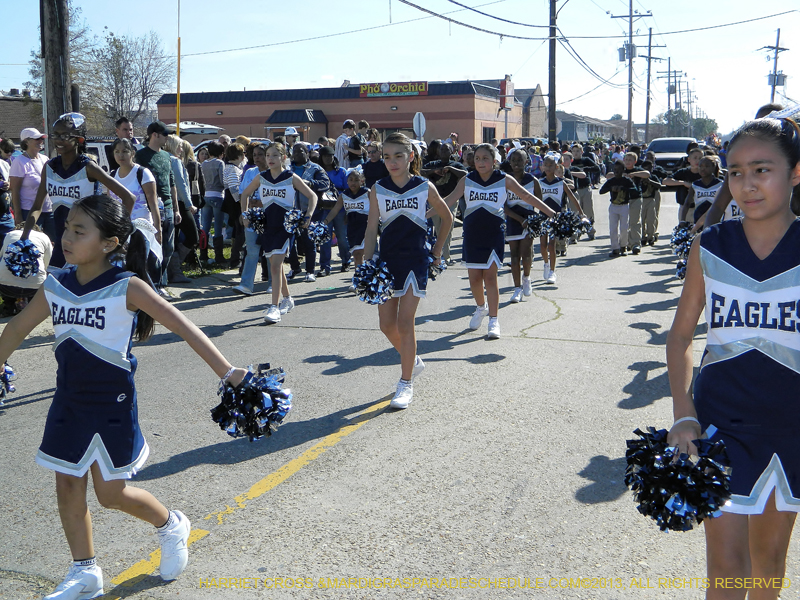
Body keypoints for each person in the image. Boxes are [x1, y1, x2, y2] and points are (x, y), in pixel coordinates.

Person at [0, 194, 248, 600]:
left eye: (80, 231)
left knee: (111, 494)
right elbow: (15, 329)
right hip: (67, 402)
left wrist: (228, 371)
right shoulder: (56, 284)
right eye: (67, 228)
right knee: (67, 485)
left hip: (112, 405)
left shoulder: (126, 286)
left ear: (109, 243)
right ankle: (85, 571)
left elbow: (183, 327)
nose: (67, 238)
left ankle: (171, 525)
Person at [666, 117, 800, 599]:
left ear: (796, 172)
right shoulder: (711, 244)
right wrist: (684, 414)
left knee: (768, 560)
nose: (747, 184)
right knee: (725, 567)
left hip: (790, 424)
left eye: (762, 169)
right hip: (722, 424)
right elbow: (680, 336)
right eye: (736, 172)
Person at [363, 133, 452, 409]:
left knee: (405, 322)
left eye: (398, 156)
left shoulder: (423, 186)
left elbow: (447, 217)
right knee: (386, 325)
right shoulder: (378, 188)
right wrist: (366, 264)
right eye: (387, 157)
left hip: (415, 260)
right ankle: (412, 360)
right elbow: (371, 228)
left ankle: (405, 383)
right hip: (387, 262)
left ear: (411, 157)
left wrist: (437, 251)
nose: (392, 162)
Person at [441, 143, 556, 338]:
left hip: (493, 234)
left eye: (485, 158)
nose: (480, 162)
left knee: (490, 277)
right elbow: (447, 201)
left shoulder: (504, 179)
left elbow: (527, 196)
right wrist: (423, 215)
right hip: (472, 234)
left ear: (494, 161)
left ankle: (494, 320)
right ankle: (481, 307)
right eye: (477, 158)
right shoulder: (467, 180)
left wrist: (552, 213)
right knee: (474, 279)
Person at [26, 113, 135, 269]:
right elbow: (37, 207)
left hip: (88, 248)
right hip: (62, 244)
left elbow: (128, 198)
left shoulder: (88, 167)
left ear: (79, 140)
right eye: (55, 135)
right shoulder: (49, 167)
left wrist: (119, 236)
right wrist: (24, 237)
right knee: (52, 282)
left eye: (65, 136)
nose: (59, 140)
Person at [241, 142, 318, 324]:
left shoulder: (290, 177)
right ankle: (288, 299)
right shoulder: (261, 177)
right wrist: (245, 214)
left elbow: (312, 196)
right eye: (268, 155)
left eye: (275, 155)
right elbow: (244, 194)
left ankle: (274, 307)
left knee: (275, 265)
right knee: (276, 265)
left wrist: (308, 216)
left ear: (283, 157)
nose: (270, 159)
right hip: (268, 226)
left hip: (285, 227)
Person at [135, 121, 179, 291]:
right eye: (165, 134)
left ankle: (161, 282)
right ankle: (155, 285)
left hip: (168, 207)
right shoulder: (141, 156)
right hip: (150, 208)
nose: (168, 137)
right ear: (155, 135)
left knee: (168, 248)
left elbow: (172, 183)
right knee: (154, 248)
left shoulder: (167, 156)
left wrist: (176, 208)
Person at [502, 148, 542, 303]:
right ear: (510, 162)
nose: (516, 163)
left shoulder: (533, 181)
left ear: (526, 162)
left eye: (520, 160)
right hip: (513, 220)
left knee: (526, 254)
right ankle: (517, 288)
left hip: (529, 220)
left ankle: (526, 277)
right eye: (513, 160)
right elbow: (504, 206)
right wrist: (519, 219)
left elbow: (540, 203)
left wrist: (536, 220)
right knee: (514, 256)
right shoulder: (506, 180)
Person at [537, 155, 584, 284]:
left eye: (551, 165)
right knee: (542, 245)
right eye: (546, 165)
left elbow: (573, 198)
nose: (548, 167)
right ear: (542, 166)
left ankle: (552, 272)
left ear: (556, 166)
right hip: (542, 217)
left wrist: (581, 213)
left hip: (555, 217)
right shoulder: (539, 182)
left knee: (552, 245)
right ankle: (546, 264)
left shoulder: (561, 182)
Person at [288, 144, 330, 281]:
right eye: (294, 151)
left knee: (309, 242)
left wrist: (310, 183)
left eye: (300, 151)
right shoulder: (288, 169)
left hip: (311, 210)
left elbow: (325, 184)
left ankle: (310, 271)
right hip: (291, 211)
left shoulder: (315, 168)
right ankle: (295, 267)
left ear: (307, 153)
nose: (297, 154)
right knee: (289, 242)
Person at [234, 143, 271, 296]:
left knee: (270, 252)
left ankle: (273, 283)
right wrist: (244, 214)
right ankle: (246, 285)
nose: (257, 158)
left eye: (260, 155)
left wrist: (262, 203)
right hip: (252, 216)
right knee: (251, 251)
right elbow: (243, 194)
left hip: (270, 217)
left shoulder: (275, 173)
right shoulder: (250, 172)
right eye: (254, 155)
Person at [323, 170, 369, 290]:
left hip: (366, 226)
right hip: (352, 227)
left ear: (362, 181)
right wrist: (325, 222)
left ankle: (364, 279)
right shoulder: (344, 195)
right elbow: (335, 210)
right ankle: (360, 279)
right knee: (356, 254)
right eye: (350, 180)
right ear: (347, 181)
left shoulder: (367, 193)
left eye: (356, 180)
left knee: (364, 254)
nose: (353, 183)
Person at [422, 142, 465, 265]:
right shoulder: (433, 164)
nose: (443, 152)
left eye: (446, 150)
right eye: (441, 150)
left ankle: (446, 257)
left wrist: (450, 169)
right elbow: (421, 172)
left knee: (448, 228)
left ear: (451, 152)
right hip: (435, 201)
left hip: (451, 200)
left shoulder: (456, 165)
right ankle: (438, 254)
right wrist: (434, 171)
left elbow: (465, 175)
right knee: (438, 227)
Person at [9, 127, 56, 242]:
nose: (40, 141)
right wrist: (18, 215)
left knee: (54, 242)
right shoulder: (19, 162)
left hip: (49, 209)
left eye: (41, 138)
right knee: (33, 242)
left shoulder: (45, 159)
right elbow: (15, 190)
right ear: (26, 142)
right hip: (29, 211)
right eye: (37, 139)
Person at [164, 135, 198, 282]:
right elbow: (180, 184)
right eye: (179, 146)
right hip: (180, 203)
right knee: (192, 236)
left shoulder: (164, 159)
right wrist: (189, 203)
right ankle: (175, 269)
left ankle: (173, 270)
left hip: (169, 203)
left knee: (174, 238)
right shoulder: (174, 160)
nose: (181, 149)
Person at [108, 139, 161, 231]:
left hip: (142, 228)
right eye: (117, 152)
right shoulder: (112, 175)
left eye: (125, 151)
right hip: (120, 228)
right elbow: (110, 204)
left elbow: (153, 204)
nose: (121, 155)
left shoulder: (143, 173)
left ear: (132, 153)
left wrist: (158, 229)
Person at [317, 146, 351, 275]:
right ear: (321, 158)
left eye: (330, 156)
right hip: (324, 209)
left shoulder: (341, 172)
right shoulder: (318, 172)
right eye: (325, 156)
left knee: (342, 237)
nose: (328, 158)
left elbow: (348, 191)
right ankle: (324, 266)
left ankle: (346, 261)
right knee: (325, 239)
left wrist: (347, 210)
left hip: (340, 209)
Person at [599, 161, 635, 257]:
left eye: (619, 170)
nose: (616, 172)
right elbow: (601, 191)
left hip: (624, 206)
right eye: (615, 170)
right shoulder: (611, 181)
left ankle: (623, 246)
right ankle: (615, 248)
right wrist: (611, 188)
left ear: (623, 170)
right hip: (614, 206)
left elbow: (634, 190)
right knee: (613, 228)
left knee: (624, 228)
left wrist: (623, 189)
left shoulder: (627, 181)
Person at [200, 141, 226, 266]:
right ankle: (218, 256)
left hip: (206, 195)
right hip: (217, 195)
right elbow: (222, 181)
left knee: (205, 227)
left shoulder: (203, 164)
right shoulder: (220, 163)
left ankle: (203, 254)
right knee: (218, 227)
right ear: (220, 153)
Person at [222, 143, 246, 270]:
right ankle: (235, 258)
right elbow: (233, 188)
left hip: (231, 202)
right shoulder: (233, 170)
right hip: (235, 203)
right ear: (239, 156)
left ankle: (236, 256)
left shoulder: (229, 167)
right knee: (240, 231)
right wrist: (240, 202)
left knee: (237, 231)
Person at [664, 147, 703, 223]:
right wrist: (683, 183)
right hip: (685, 208)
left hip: (700, 207)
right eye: (695, 158)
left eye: (700, 158)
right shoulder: (683, 172)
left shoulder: (705, 173)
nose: (697, 161)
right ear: (689, 159)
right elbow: (665, 181)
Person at [622, 151, 651, 254]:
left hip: (636, 198)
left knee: (635, 221)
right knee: (624, 223)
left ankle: (635, 244)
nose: (628, 162)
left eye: (630, 160)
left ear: (635, 161)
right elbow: (609, 175)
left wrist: (633, 174)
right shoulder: (621, 170)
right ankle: (625, 243)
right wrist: (622, 175)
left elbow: (647, 174)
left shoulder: (637, 170)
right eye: (626, 159)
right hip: (623, 200)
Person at [570, 144, 599, 239]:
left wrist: (586, 169)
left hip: (586, 188)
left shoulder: (586, 160)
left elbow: (597, 168)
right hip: (575, 190)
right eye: (574, 151)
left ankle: (590, 230)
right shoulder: (571, 162)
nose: (576, 153)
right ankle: (575, 233)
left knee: (588, 210)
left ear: (581, 152)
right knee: (575, 212)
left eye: (578, 151)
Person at [686, 156, 725, 226]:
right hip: (698, 221)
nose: (703, 169)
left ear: (713, 167)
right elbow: (687, 203)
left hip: (716, 221)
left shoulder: (721, 184)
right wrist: (682, 220)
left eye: (707, 166)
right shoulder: (695, 185)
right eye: (700, 166)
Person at [639, 160, 662, 246]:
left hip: (651, 200)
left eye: (651, 168)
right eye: (647, 168)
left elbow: (659, 185)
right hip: (641, 200)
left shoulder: (653, 177)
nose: (649, 169)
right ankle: (642, 236)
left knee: (651, 219)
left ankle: (650, 236)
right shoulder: (639, 178)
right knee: (641, 219)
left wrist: (650, 181)